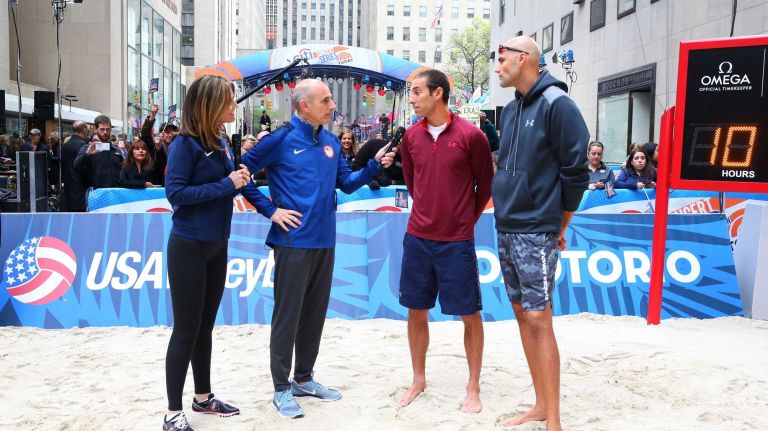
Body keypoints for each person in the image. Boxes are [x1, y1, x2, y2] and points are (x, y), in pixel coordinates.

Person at [240, 78, 396, 419]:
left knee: (313, 314)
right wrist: (269, 210)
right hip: (292, 241)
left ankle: (304, 379)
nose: (332, 105)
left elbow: (347, 183)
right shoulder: (280, 139)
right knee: (288, 315)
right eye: (325, 100)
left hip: (325, 238)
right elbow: (241, 173)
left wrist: (374, 164)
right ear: (303, 106)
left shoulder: (329, 141)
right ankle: (281, 388)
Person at [493, 36, 589, 431]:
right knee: (520, 314)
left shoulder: (558, 104)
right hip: (507, 225)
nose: (498, 67)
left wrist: (560, 224)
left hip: (537, 228)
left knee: (538, 318)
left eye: (502, 60)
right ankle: (540, 405)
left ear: (524, 58)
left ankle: (555, 421)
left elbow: (576, 172)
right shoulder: (511, 109)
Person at [396, 69, 494, 413]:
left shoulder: (471, 136)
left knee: (470, 314)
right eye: (412, 92)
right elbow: (412, 181)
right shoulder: (410, 137)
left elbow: (486, 184)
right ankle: (418, 379)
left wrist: (465, 218)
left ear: (438, 93)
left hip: (457, 241)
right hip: (418, 238)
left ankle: (473, 385)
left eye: (418, 92)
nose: (412, 98)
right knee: (415, 310)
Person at [162, 74, 250, 431]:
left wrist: (239, 177)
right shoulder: (186, 144)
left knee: (205, 328)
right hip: (189, 246)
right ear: (210, 105)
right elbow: (176, 195)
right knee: (186, 330)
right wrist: (226, 184)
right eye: (228, 101)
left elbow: (220, 187)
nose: (233, 106)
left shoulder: (221, 140)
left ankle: (203, 397)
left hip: (217, 244)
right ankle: (172, 413)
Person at [74, 116, 124, 189]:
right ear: (96, 129)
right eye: (102, 129)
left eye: (108, 129)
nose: (105, 132)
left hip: (115, 192)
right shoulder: (88, 147)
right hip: (96, 193)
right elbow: (76, 166)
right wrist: (87, 154)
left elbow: (123, 170)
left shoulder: (116, 150)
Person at [142, 103, 179, 185]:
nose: (169, 135)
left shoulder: (176, 147)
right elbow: (145, 134)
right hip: (155, 184)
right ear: (161, 133)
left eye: (172, 132)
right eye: (166, 132)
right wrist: (152, 115)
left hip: (171, 183)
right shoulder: (153, 145)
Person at [60, 121, 90, 211]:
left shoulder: (65, 145)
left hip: (68, 188)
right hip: (81, 189)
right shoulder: (83, 145)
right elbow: (84, 168)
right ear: (84, 130)